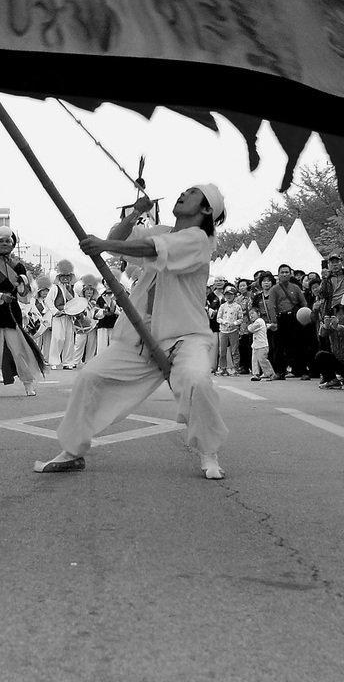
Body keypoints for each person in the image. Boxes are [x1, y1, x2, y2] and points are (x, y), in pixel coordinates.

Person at [38, 185, 229, 480]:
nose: (182, 194)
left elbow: (150, 249)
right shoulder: (161, 231)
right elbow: (118, 242)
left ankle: (209, 452)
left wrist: (102, 244)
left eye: (192, 193)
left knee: (197, 382)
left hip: (185, 336)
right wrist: (135, 213)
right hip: (141, 336)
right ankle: (73, 451)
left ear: (206, 209)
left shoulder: (199, 240)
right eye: (184, 190)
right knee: (89, 377)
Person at [0, 227, 43, 397]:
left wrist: (23, 285)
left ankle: (28, 383)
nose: (5, 244)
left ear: (12, 246)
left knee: (19, 351)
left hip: (12, 312)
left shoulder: (18, 266)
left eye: (8, 241)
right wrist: (0, 296)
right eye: (2, 241)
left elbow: (24, 294)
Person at [245, 302, 274, 382]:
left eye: (253, 313)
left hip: (262, 345)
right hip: (255, 345)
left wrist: (249, 326)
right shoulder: (255, 322)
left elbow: (251, 329)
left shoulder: (259, 321)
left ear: (258, 314)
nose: (251, 315)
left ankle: (269, 374)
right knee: (254, 360)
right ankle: (256, 374)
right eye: (249, 314)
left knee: (262, 360)